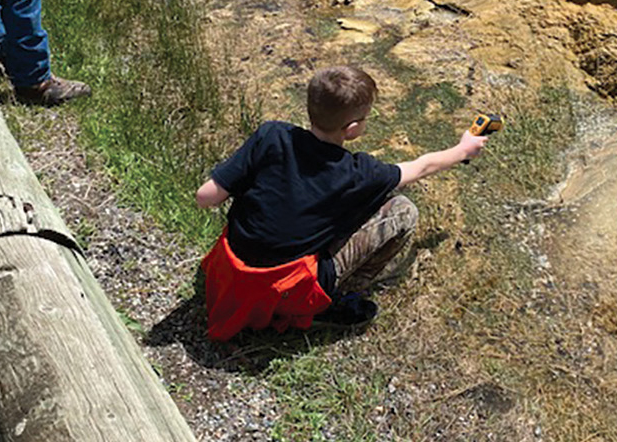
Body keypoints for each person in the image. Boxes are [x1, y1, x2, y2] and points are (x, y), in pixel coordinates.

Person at [196, 66, 487, 340]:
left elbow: (205, 197)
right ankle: (333, 302)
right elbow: (420, 168)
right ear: (352, 128)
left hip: (232, 270)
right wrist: (463, 149)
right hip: (286, 288)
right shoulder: (358, 173)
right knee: (402, 211)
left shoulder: (271, 135)